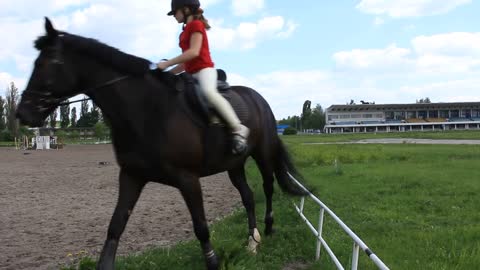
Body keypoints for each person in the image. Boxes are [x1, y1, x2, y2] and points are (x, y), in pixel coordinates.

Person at [155, 0, 249, 154]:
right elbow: (186, 62)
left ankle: (238, 128)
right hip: (191, 74)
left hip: (205, 70)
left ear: (185, 10)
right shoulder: (183, 33)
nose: (174, 16)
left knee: (208, 92)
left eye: (175, 12)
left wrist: (167, 64)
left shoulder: (196, 25)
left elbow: (194, 52)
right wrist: (169, 73)